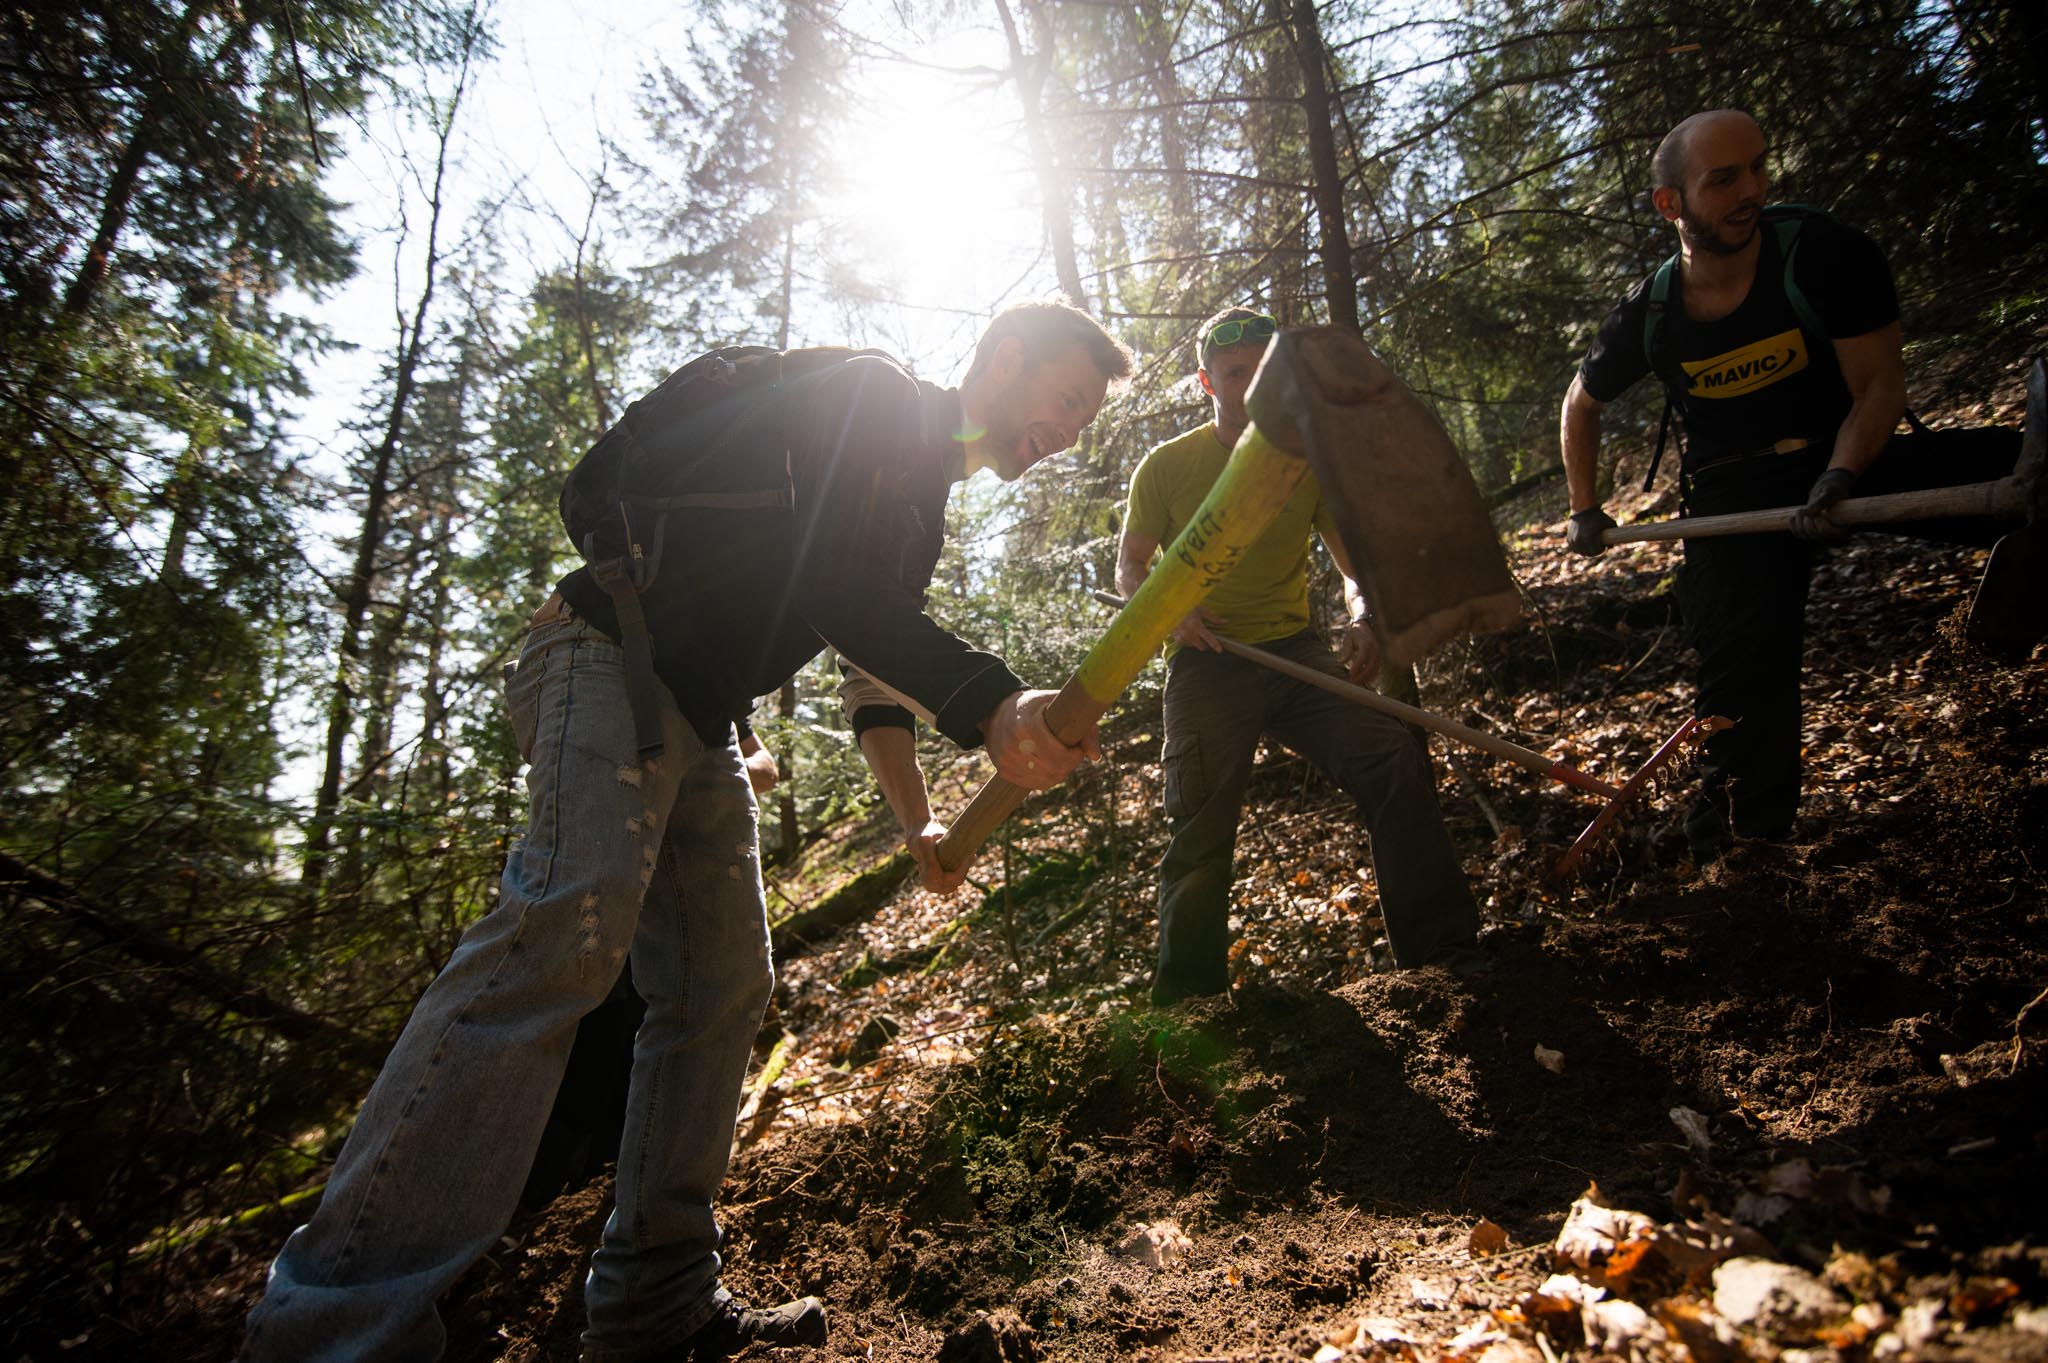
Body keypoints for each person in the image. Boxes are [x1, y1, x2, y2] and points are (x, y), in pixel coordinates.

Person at [240, 300, 1133, 1363]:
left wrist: (918, 825)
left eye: (1083, 419)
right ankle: (331, 1329)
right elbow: (828, 585)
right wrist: (991, 703)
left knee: (718, 987)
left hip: (694, 716)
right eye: (1067, 399)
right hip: (604, 653)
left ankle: (652, 1306)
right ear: (1002, 356)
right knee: (558, 938)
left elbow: (871, 670)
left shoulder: (917, 504)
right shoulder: (877, 398)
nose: (1070, 429)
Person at [1559, 109, 2021, 861]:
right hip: (1732, 497)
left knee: (2021, 477)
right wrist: (1584, 508)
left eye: (1758, 169)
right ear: (1670, 204)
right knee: (1741, 683)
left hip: (1849, 453)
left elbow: (1878, 387)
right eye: (1724, 179)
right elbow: (1580, 404)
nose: (1751, 191)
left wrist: (1839, 475)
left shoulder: (1823, 254)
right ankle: (1740, 868)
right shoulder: (1650, 311)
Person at [1115, 306, 1483, 1006]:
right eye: (1234, 374)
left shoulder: (1303, 464)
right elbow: (1130, 566)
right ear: (1206, 382)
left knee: (1390, 754)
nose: (1252, 387)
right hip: (1208, 664)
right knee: (1198, 820)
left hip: (1295, 654)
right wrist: (1167, 611)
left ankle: (1444, 953)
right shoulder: (1167, 467)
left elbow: (1349, 562)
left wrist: (1363, 614)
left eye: (1265, 373)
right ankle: (1190, 1005)